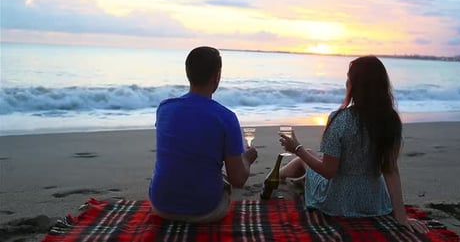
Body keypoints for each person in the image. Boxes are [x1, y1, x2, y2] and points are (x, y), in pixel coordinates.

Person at [278, 55, 428, 233]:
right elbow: (390, 169)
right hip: (374, 202)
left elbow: (328, 171)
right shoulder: (391, 120)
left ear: (355, 85)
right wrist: (401, 217)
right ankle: (287, 176)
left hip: (338, 202)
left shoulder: (339, 119)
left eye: (348, 78)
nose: (346, 82)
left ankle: (277, 176)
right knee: (308, 155)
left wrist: (296, 148)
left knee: (307, 153)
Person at [149, 46, 258, 223]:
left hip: (160, 206)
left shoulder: (164, 108)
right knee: (225, 179)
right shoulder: (226, 117)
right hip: (205, 210)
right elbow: (238, 179)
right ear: (217, 77)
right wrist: (247, 158)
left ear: (188, 73)